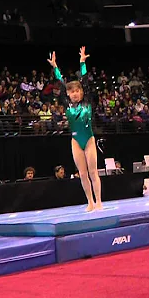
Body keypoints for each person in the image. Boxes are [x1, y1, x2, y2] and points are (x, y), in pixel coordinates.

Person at [48, 47, 102, 211]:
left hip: (89, 139)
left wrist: (82, 62)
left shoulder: (87, 102)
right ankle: (90, 202)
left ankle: (98, 200)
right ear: (68, 94)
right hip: (76, 141)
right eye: (72, 92)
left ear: (81, 92)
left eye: (78, 90)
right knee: (83, 174)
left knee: (93, 172)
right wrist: (55, 67)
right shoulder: (67, 103)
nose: (75, 93)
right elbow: (61, 84)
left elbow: (84, 79)